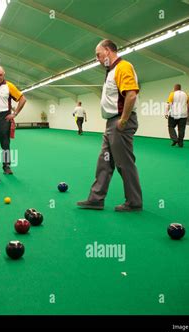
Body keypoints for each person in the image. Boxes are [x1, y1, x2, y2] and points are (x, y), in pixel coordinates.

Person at [77, 39, 143, 212]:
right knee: (104, 162)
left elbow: (131, 95)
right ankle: (96, 199)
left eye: (98, 54)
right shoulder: (111, 71)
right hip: (112, 123)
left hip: (120, 122)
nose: (97, 58)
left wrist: (123, 120)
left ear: (107, 51)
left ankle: (134, 202)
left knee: (124, 163)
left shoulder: (123, 67)